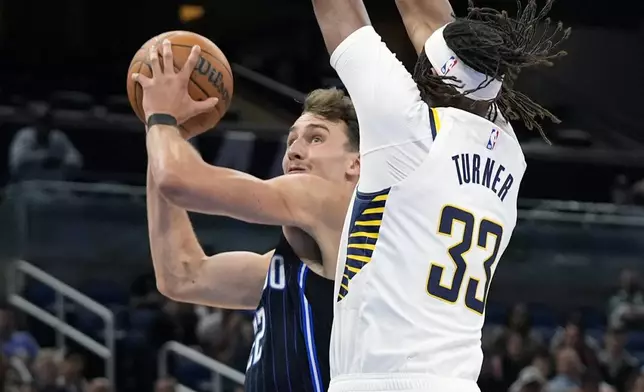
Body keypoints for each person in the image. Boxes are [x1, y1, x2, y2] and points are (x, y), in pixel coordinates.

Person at [310, 0, 570, 390]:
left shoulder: (409, 133)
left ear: (430, 76)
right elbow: (436, 30)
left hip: (382, 380)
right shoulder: (509, 153)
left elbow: (340, 11)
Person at [132, 39, 360, 392]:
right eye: (291, 141)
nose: (296, 151)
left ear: (355, 165)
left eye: (316, 139)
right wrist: (166, 134)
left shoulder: (330, 202)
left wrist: (162, 119)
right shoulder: (288, 268)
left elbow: (178, 180)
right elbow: (182, 276)